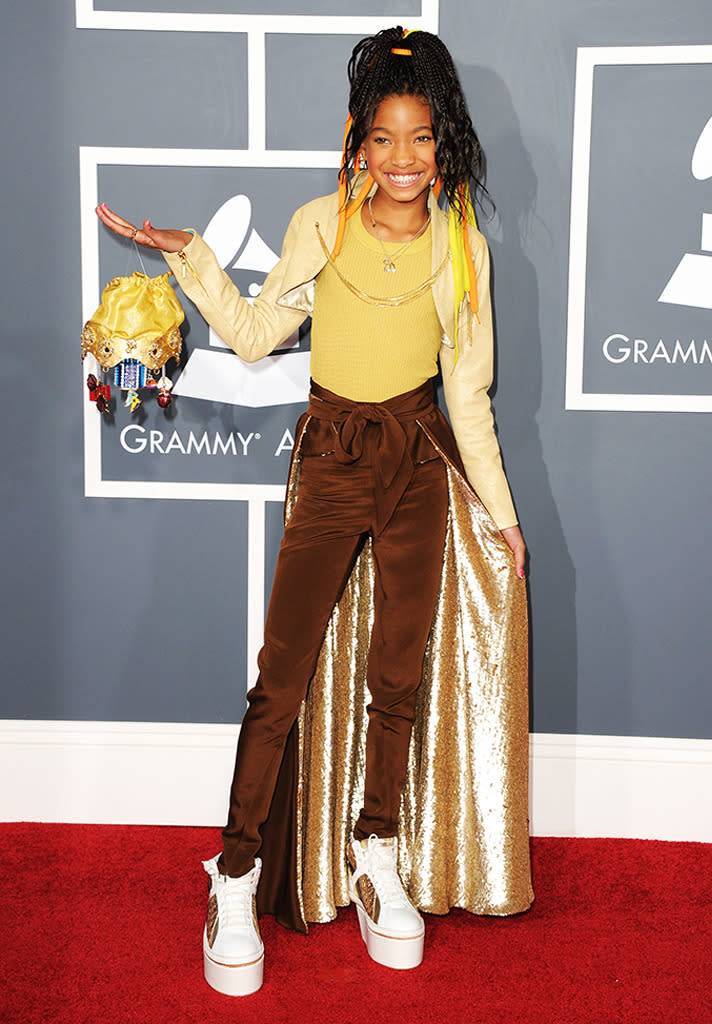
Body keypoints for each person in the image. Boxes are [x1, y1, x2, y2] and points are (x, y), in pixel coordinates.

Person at [97, 26, 532, 997]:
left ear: (445, 141)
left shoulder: (464, 249)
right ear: (355, 141)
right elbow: (255, 337)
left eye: (421, 138)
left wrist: (499, 513)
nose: (403, 159)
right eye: (383, 137)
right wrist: (194, 258)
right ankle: (236, 870)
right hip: (333, 454)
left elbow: (469, 395)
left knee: (398, 671)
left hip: (420, 457)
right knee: (279, 673)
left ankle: (376, 850)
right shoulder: (319, 225)